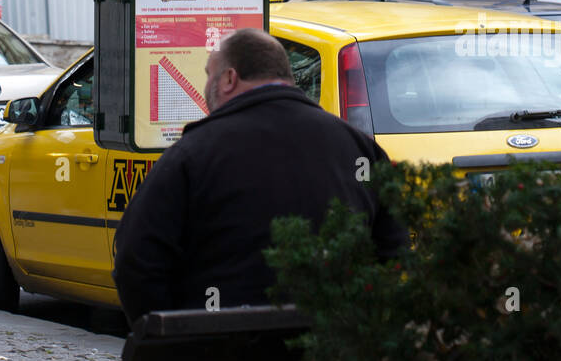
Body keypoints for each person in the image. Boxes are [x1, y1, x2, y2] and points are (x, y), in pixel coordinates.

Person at [110, 28, 407, 329]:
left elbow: (135, 259)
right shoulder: (358, 147)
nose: (206, 85)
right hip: (331, 348)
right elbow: (393, 248)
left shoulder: (192, 153)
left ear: (228, 79)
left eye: (209, 74)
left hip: (221, 354)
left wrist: (173, 337)